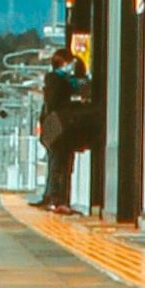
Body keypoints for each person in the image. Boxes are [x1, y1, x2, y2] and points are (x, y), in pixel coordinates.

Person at [36, 48, 93, 213]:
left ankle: (54, 197)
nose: (72, 66)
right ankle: (57, 199)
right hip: (59, 125)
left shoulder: (56, 79)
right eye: (70, 62)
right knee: (60, 163)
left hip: (54, 125)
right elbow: (58, 103)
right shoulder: (58, 80)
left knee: (56, 162)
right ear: (63, 63)